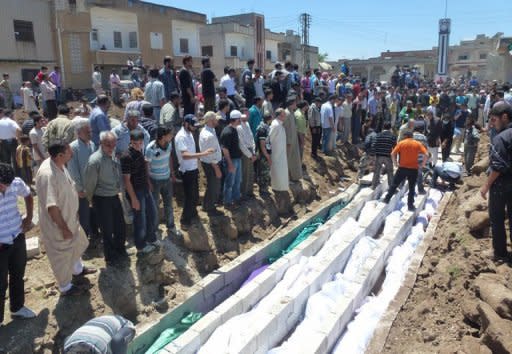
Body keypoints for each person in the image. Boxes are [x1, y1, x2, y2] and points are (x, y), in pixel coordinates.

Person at [35, 142, 95, 296]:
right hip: (58, 225)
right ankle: (66, 287)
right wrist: (63, 228)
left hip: (70, 218)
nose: (72, 153)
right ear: (60, 155)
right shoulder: (48, 174)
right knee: (61, 256)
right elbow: (52, 206)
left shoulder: (60, 165)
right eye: (69, 152)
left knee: (76, 245)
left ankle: (78, 271)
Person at [0, 163, 36, 325]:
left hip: (17, 236)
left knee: (17, 275)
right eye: (3, 185)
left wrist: (28, 218)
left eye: (8, 184)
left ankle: (17, 308)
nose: (6, 188)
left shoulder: (15, 182)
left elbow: (28, 195)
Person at [85, 132, 127, 265]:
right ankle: (110, 257)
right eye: (108, 145)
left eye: (113, 144)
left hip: (114, 196)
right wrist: (90, 200)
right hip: (101, 198)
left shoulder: (112, 155)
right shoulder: (95, 160)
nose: (111, 147)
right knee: (107, 229)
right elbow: (90, 183)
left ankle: (120, 250)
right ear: (101, 144)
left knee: (120, 225)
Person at [479, 102, 512, 262]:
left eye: (493, 120)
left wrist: (486, 186)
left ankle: (500, 253)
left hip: (502, 185)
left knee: (497, 218)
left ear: (504, 117)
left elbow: (498, 167)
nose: (491, 124)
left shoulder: (501, 138)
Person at [121, 130, 158, 255]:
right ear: (130, 141)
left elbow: (143, 169)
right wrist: (133, 198)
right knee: (140, 219)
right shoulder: (126, 156)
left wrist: (148, 182)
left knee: (152, 214)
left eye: (140, 143)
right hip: (136, 192)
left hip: (144, 188)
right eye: (135, 143)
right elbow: (126, 180)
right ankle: (141, 246)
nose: (138, 145)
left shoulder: (140, 152)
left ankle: (151, 238)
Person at [175, 115, 214, 226]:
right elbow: (185, 155)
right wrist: (203, 154)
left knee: (195, 195)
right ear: (186, 124)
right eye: (193, 126)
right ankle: (185, 221)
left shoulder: (189, 133)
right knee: (189, 196)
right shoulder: (181, 136)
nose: (195, 128)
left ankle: (193, 213)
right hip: (186, 170)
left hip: (193, 169)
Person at [145, 126, 181, 235]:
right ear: (164, 136)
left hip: (167, 179)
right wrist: (148, 182)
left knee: (169, 204)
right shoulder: (151, 148)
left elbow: (169, 157)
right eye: (171, 134)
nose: (173, 136)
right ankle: (155, 229)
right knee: (155, 206)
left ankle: (170, 226)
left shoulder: (169, 145)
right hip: (154, 181)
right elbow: (146, 165)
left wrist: (172, 174)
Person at [383, 131, 428, 211]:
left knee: (394, 184)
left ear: (406, 136)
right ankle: (410, 206)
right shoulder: (417, 144)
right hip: (413, 169)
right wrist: (422, 164)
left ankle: (387, 199)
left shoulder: (401, 143)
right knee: (411, 188)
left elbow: (393, 154)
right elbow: (426, 154)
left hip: (402, 168)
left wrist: (395, 163)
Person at [68, 119, 97, 239]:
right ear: (79, 133)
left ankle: (95, 234)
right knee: (84, 214)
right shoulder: (73, 147)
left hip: (94, 186)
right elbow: (73, 170)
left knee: (94, 212)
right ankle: (84, 240)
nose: (90, 134)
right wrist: (79, 188)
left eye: (90, 131)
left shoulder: (92, 144)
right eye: (87, 132)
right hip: (82, 189)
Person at [63, 315, 135, 354]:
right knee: (68, 340)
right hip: (98, 327)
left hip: (124, 325)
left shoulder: (101, 349)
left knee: (117, 341)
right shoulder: (68, 348)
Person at [199, 112, 223, 215]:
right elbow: (211, 154)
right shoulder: (209, 135)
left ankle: (206, 205)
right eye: (215, 119)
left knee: (212, 185)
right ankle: (210, 208)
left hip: (207, 162)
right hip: (212, 164)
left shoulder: (208, 130)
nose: (217, 121)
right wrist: (217, 168)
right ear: (210, 121)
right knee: (214, 186)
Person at [220, 110, 243, 209]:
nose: (241, 120)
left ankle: (236, 199)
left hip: (237, 159)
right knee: (230, 182)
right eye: (240, 119)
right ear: (236, 119)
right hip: (232, 160)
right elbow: (224, 149)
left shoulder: (234, 129)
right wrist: (230, 164)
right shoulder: (227, 132)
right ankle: (228, 202)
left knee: (237, 181)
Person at [237, 110, 256, 199]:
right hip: (245, 152)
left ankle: (249, 191)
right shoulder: (238, 127)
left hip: (251, 150)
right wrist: (250, 155)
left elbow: (252, 138)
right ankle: (243, 193)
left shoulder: (247, 124)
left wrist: (254, 151)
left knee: (250, 172)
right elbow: (241, 144)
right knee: (244, 173)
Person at [269, 108, 289, 192]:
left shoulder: (280, 124)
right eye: (284, 115)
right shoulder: (275, 125)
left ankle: (281, 187)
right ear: (279, 116)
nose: (285, 117)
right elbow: (269, 138)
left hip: (281, 152)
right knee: (277, 170)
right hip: (276, 153)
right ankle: (276, 187)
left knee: (282, 170)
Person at [372, 122, 396, 189]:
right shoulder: (392, 136)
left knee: (376, 171)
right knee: (390, 172)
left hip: (378, 156)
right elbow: (395, 147)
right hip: (388, 156)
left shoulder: (378, 135)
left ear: (383, 127)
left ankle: (373, 186)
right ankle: (391, 187)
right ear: (390, 128)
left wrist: (375, 154)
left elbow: (374, 145)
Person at [283, 99, 302, 181]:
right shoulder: (286, 113)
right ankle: (288, 177)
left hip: (294, 140)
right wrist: (288, 141)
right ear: (291, 104)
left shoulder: (292, 113)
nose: (296, 105)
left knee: (294, 158)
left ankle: (294, 176)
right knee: (288, 159)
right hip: (289, 141)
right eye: (295, 103)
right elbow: (285, 129)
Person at [255, 113, 273, 195]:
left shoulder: (265, 127)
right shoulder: (262, 129)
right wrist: (268, 156)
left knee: (265, 172)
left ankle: (264, 188)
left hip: (266, 153)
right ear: (269, 119)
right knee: (263, 172)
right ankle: (263, 190)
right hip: (263, 154)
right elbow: (262, 145)